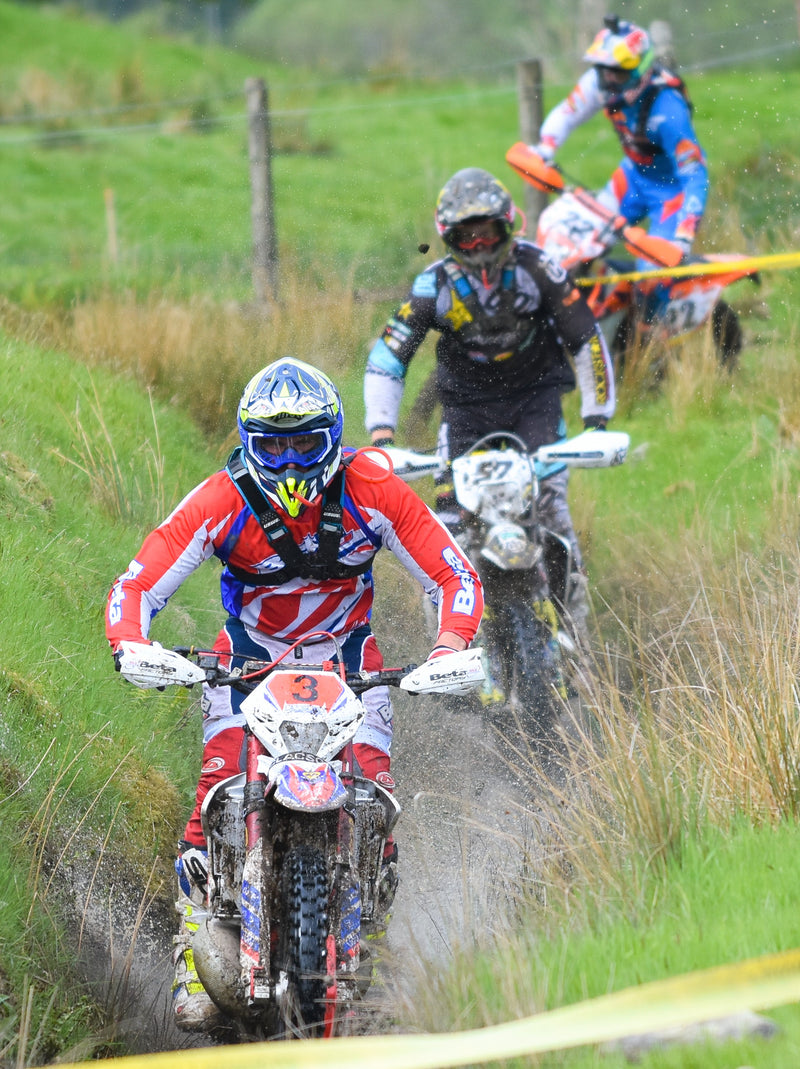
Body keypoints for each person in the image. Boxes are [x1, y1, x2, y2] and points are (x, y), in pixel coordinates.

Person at [105, 357, 483, 1032]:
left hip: (350, 664)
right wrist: (132, 643)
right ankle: (193, 951)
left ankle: (374, 937)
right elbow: (140, 581)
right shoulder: (223, 497)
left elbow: (451, 572)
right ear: (248, 441)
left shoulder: (375, 487)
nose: (286, 460)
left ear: (333, 437)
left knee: (375, 794)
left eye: (303, 442)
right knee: (216, 791)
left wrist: (450, 645)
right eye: (271, 443)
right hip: (246, 667)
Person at [363, 166, 615, 637]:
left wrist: (597, 422)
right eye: (467, 236)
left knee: (552, 516)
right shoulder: (430, 285)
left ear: (507, 226)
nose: (479, 246)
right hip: (465, 413)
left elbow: (587, 340)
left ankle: (575, 638)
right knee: (447, 530)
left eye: (487, 233)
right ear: (449, 238)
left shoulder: (540, 268)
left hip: (536, 405)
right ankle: (450, 645)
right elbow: (386, 357)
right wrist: (383, 435)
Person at [532, 14, 709, 316]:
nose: (609, 78)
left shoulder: (669, 109)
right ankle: (579, 319)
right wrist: (543, 149)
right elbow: (566, 113)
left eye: (618, 71)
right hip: (631, 179)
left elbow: (695, 174)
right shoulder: (597, 83)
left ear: (641, 70)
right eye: (604, 69)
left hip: (672, 195)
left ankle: (652, 346)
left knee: (652, 278)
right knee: (576, 247)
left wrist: (685, 233)